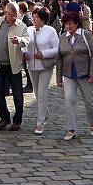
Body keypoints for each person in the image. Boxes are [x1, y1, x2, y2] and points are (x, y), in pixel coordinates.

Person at [0, 3, 29, 131]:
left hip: (13, 65)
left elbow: (27, 39)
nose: (15, 18)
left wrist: (19, 40)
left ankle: (17, 121)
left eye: (16, 15)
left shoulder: (21, 25)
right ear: (6, 13)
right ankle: (4, 118)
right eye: (12, 15)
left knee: (18, 94)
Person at [56, 11, 93, 140]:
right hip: (68, 73)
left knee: (88, 101)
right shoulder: (63, 37)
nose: (68, 26)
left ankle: (92, 124)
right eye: (66, 24)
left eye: (70, 24)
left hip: (85, 73)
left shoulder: (86, 35)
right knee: (68, 100)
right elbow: (59, 58)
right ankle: (71, 129)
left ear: (76, 23)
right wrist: (58, 78)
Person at [24, 7, 59, 135]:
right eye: (33, 17)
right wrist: (24, 53)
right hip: (32, 66)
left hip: (45, 66)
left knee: (42, 94)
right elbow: (25, 44)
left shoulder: (50, 31)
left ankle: (40, 122)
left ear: (43, 19)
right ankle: (45, 113)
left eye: (37, 17)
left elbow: (57, 48)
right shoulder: (29, 30)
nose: (34, 19)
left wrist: (44, 53)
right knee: (37, 93)